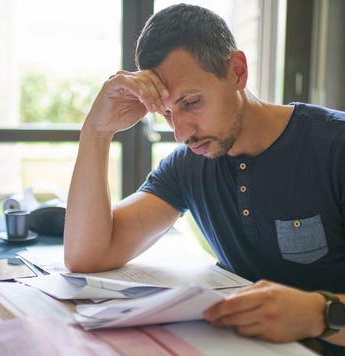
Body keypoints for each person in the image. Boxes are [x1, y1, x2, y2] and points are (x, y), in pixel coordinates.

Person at [63, 3, 345, 352]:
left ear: (238, 72)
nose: (180, 133)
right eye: (167, 113)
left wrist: (322, 314)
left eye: (191, 102)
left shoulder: (335, 147)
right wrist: (97, 132)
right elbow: (87, 256)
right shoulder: (189, 164)